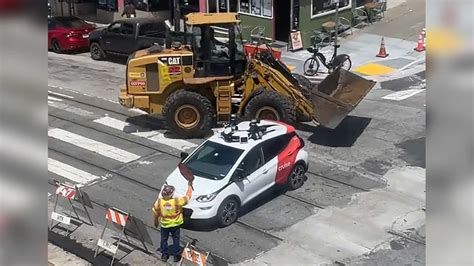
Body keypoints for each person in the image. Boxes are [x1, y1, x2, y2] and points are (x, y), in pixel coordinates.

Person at [152, 182, 193, 262]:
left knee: (164, 240)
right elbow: (188, 197)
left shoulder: (159, 202)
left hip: (164, 225)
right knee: (176, 239)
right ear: (172, 194)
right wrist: (190, 186)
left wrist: (156, 222)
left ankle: (164, 255)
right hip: (175, 224)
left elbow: (155, 213)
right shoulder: (176, 201)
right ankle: (176, 256)